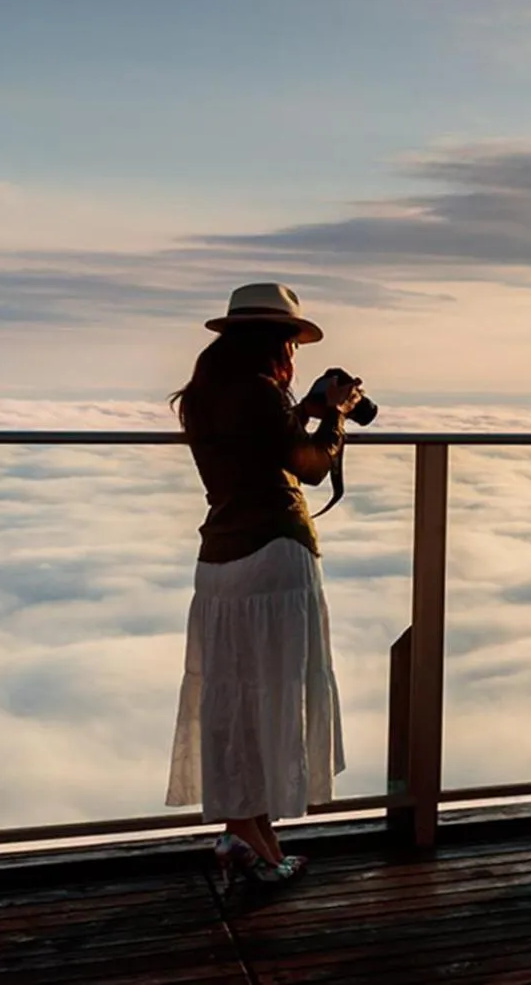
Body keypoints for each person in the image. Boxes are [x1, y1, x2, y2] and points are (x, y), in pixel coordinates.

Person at [165, 282, 363, 884]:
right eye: (290, 343)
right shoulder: (261, 394)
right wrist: (335, 415)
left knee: (233, 700)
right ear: (277, 344)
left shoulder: (202, 396)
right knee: (270, 695)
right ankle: (256, 846)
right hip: (275, 555)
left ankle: (246, 839)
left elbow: (252, 440)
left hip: (220, 562)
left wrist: (298, 409)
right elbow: (307, 465)